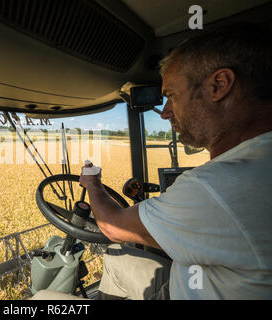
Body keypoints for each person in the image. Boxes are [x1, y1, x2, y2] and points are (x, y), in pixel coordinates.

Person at [32, 22, 272, 300]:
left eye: (171, 95)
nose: (165, 112)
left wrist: (93, 184)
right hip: (199, 281)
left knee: (42, 300)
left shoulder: (216, 186)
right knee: (117, 258)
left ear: (218, 85)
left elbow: (112, 225)